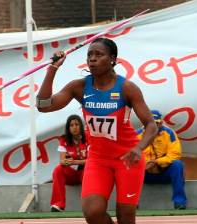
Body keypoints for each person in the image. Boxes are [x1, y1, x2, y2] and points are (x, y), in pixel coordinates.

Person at [36, 37, 158, 224]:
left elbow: (151, 125)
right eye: (89, 55)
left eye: (98, 55)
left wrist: (138, 148)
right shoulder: (79, 87)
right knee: (92, 212)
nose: (92, 59)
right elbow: (43, 106)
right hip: (98, 159)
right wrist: (53, 69)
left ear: (112, 59)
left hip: (128, 158)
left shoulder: (127, 88)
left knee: (125, 216)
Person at [137, 110, 187, 210]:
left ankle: (179, 203)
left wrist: (156, 162)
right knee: (129, 168)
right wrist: (144, 164)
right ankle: (131, 203)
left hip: (164, 172)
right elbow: (130, 154)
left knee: (178, 165)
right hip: (144, 174)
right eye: (149, 123)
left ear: (161, 123)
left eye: (156, 123)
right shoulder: (136, 134)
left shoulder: (169, 133)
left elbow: (175, 154)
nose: (153, 126)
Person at [50, 114, 88, 212]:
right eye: (71, 125)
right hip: (71, 174)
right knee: (58, 170)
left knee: (89, 170)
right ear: (68, 128)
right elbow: (62, 160)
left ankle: (89, 205)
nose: (74, 127)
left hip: (85, 172)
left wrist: (75, 161)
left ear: (81, 125)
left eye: (77, 124)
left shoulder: (88, 137)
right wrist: (65, 161)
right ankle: (58, 205)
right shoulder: (64, 139)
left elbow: (92, 161)